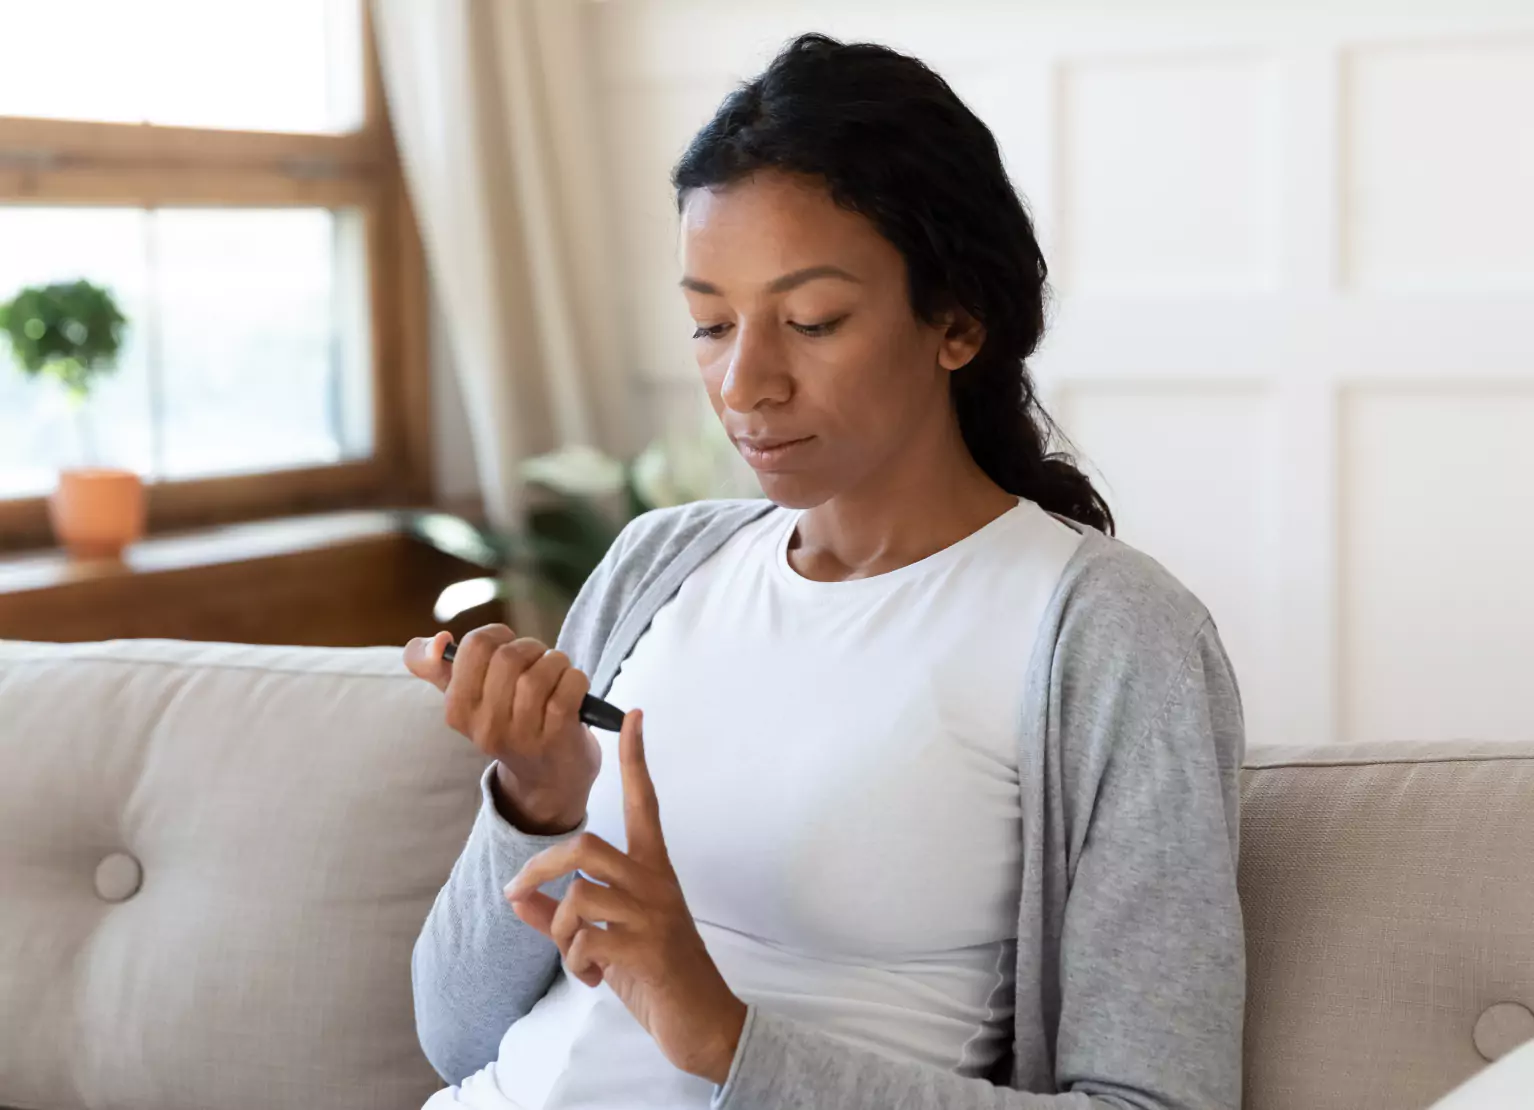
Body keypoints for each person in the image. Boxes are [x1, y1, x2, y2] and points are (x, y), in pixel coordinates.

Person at [403, 32, 1244, 1110]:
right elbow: (451, 1032)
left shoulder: (1112, 635)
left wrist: (724, 1038)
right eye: (709, 323)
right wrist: (538, 798)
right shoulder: (660, 565)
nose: (744, 383)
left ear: (956, 320)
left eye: (810, 321)